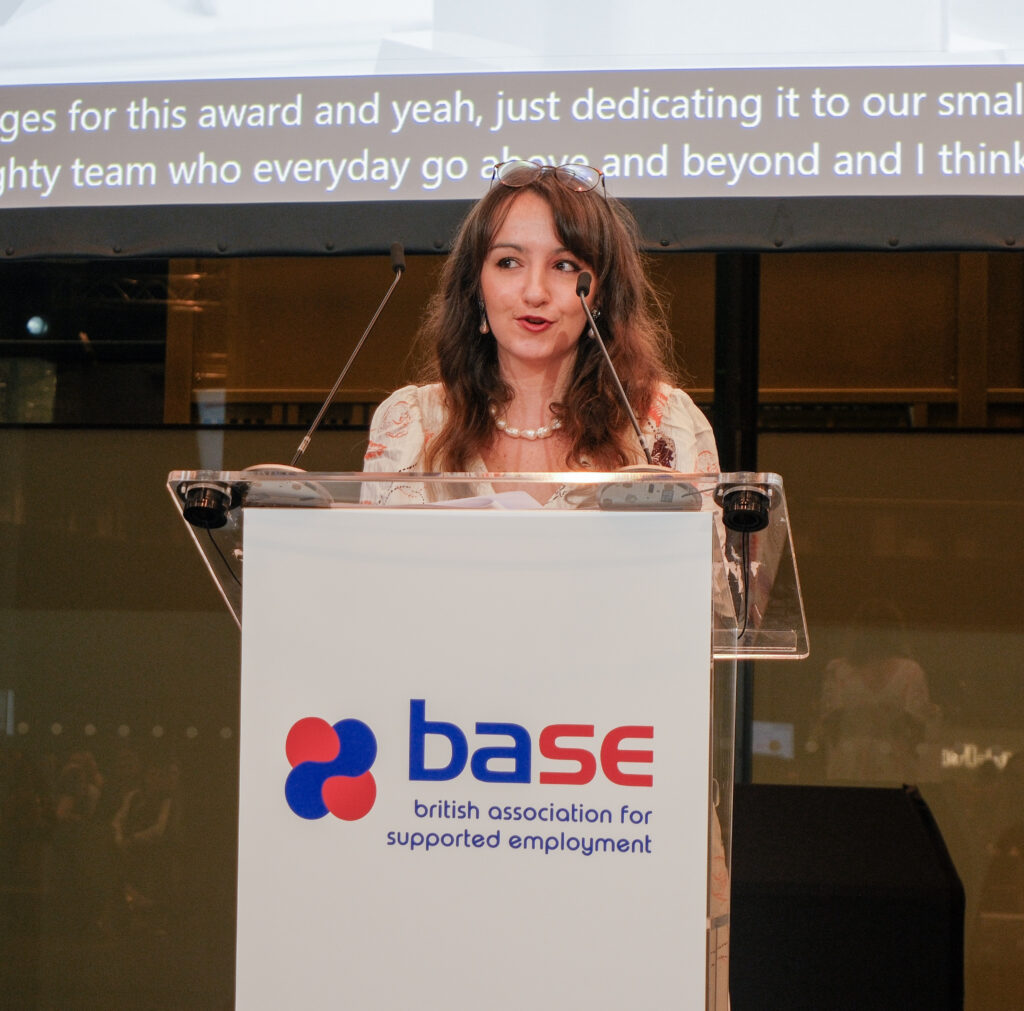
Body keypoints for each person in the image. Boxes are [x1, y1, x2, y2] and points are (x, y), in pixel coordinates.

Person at [362, 159, 718, 504]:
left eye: (564, 265)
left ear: (600, 293)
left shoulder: (661, 424)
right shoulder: (413, 422)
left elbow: (709, 564)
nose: (535, 292)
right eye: (509, 262)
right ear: (476, 287)